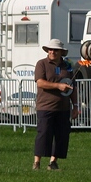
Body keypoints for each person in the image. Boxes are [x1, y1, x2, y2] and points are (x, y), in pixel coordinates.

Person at [33, 38, 79, 171]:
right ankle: (37, 162)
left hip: (63, 108)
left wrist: (75, 105)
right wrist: (58, 86)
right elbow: (40, 82)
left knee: (61, 135)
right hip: (45, 106)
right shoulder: (41, 64)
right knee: (44, 133)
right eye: (50, 49)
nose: (52, 52)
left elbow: (72, 87)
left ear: (61, 52)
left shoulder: (68, 65)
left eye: (55, 50)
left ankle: (53, 162)